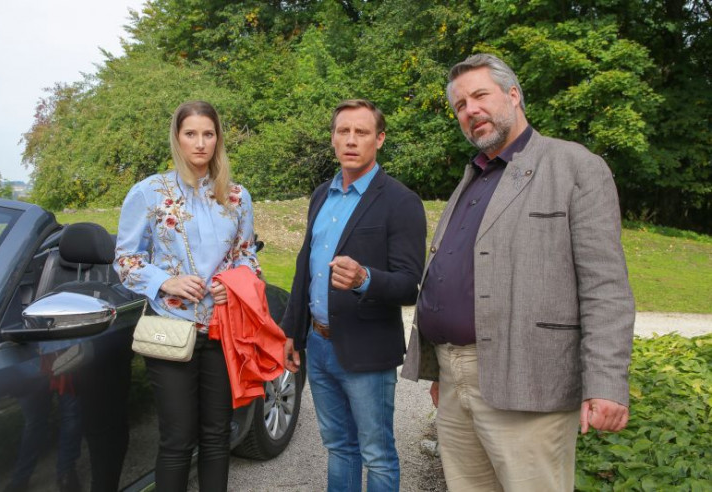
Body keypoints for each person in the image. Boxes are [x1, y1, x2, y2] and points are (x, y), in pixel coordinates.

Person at [401, 53, 635, 491]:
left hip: (530, 380)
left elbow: (605, 286)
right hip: (455, 379)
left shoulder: (573, 165)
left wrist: (606, 384)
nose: (470, 110)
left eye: (480, 96)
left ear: (513, 95)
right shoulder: (474, 175)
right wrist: (442, 372)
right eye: (460, 105)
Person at [114, 100, 260, 492]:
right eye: (190, 134)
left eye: (208, 134)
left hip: (221, 330)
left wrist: (233, 283)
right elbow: (125, 260)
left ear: (218, 139)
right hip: (171, 329)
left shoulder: (236, 196)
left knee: (217, 435)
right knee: (177, 440)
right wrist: (166, 281)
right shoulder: (149, 193)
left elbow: (247, 256)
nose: (200, 143)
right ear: (177, 138)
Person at [282, 99, 426, 491]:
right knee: (339, 448)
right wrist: (292, 331)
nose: (350, 140)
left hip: (367, 350)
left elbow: (410, 286)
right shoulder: (321, 195)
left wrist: (364, 278)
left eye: (361, 132)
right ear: (332, 138)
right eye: (343, 131)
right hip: (319, 344)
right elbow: (305, 268)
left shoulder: (401, 201)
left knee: (377, 454)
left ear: (379, 139)